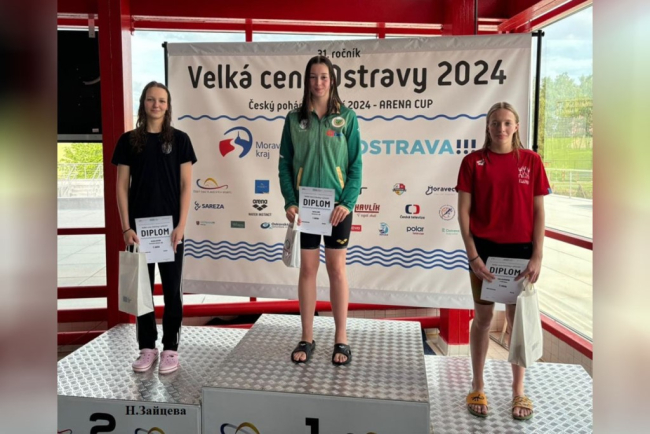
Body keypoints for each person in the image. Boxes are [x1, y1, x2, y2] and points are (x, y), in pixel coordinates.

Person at [456, 101, 551, 420]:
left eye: (507, 123)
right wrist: (472, 255)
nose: (501, 128)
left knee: (516, 321)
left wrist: (537, 254)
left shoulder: (531, 161)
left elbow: (538, 211)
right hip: (484, 253)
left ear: (517, 127)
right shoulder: (472, 162)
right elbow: (463, 213)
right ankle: (477, 384)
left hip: (520, 254)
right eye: (495, 123)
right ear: (488, 126)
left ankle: (518, 390)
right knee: (483, 319)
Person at [278, 55, 362, 366]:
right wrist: (290, 201)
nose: (318, 82)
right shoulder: (294, 119)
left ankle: (341, 338)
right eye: (313, 77)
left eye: (324, 77)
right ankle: (307, 337)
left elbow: (356, 166)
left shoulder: (347, 117)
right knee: (308, 270)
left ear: (332, 80)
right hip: (306, 208)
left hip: (337, 209)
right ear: (307, 81)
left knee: (337, 270)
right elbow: (285, 165)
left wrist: (346, 203)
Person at [112, 81, 197, 374]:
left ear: (168, 105)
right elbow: (121, 187)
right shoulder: (128, 141)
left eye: (161, 100)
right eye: (151, 99)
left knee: (172, 291)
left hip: (171, 231)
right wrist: (126, 228)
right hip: (138, 231)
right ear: (143, 103)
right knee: (142, 291)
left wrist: (181, 225)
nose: (156, 105)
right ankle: (147, 347)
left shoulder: (181, 140)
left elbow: (186, 186)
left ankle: (171, 348)